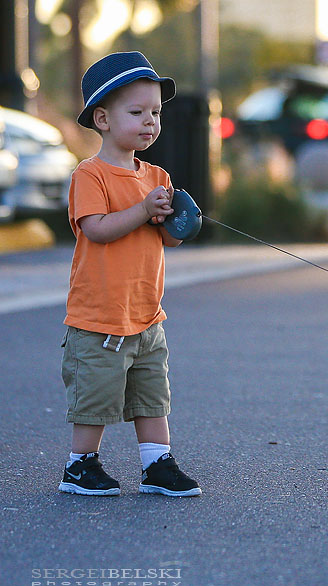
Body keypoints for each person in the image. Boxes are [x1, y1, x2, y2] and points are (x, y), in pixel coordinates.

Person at [58, 51, 200, 497]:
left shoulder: (156, 175)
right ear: (102, 118)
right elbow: (97, 230)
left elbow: (167, 239)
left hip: (145, 314)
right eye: (136, 112)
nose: (150, 122)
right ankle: (80, 466)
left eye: (155, 112)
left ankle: (156, 463)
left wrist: (178, 221)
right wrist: (142, 210)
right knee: (95, 397)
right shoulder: (90, 175)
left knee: (151, 393)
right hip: (99, 316)